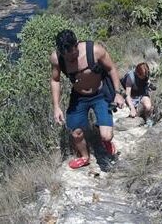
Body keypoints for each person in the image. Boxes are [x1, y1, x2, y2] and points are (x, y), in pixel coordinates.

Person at [50, 29, 125, 169]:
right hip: (79, 96)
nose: (70, 59)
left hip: (100, 93)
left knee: (106, 136)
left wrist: (117, 92)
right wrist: (56, 106)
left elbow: (111, 69)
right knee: (76, 133)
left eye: (72, 54)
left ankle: (106, 140)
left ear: (77, 45)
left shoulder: (95, 50)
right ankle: (85, 157)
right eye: (66, 56)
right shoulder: (57, 58)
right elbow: (55, 80)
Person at [122, 62, 154, 127]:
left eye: (145, 76)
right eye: (142, 76)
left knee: (148, 107)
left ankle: (147, 119)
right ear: (137, 73)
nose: (144, 77)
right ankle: (138, 113)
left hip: (141, 93)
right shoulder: (130, 77)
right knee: (135, 114)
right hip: (132, 96)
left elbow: (147, 83)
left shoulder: (146, 75)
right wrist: (132, 108)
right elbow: (127, 95)